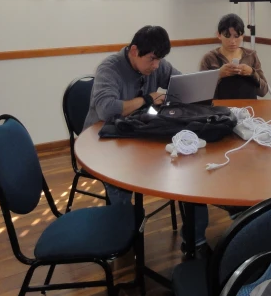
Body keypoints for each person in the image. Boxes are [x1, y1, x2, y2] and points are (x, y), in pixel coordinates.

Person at [85, 25, 210, 254]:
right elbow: (106, 109)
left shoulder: (157, 66)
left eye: (159, 60)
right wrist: (147, 99)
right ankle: (122, 240)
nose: (156, 66)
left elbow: (182, 84)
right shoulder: (109, 69)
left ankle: (195, 238)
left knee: (187, 166)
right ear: (134, 51)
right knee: (119, 184)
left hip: (142, 131)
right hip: (107, 138)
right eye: (152, 59)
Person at [199, 13, 269, 99]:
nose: (232, 41)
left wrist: (251, 73)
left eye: (237, 36)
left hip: (247, 109)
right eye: (227, 36)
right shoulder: (210, 58)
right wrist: (218, 75)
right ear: (219, 35)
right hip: (221, 109)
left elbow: (264, 91)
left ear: (242, 36)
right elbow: (201, 93)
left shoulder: (251, 55)